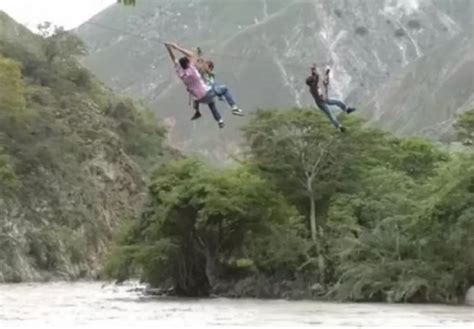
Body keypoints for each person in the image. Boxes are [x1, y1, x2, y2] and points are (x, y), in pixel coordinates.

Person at [164, 42, 225, 128]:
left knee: (211, 104)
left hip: (198, 98)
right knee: (218, 92)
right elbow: (191, 55)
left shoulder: (181, 73)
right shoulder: (192, 69)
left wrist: (168, 49)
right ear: (188, 63)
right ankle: (220, 119)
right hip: (206, 92)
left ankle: (216, 118)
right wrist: (177, 48)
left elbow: (174, 59)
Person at [306, 66, 356, 132]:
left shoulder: (313, 86)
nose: (315, 80)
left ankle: (346, 109)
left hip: (324, 99)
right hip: (321, 103)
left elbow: (314, 77)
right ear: (312, 83)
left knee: (338, 102)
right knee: (330, 114)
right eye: (313, 80)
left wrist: (313, 70)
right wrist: (314, 71)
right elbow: (316, 77)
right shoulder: (313, 88)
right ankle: (339, 126)